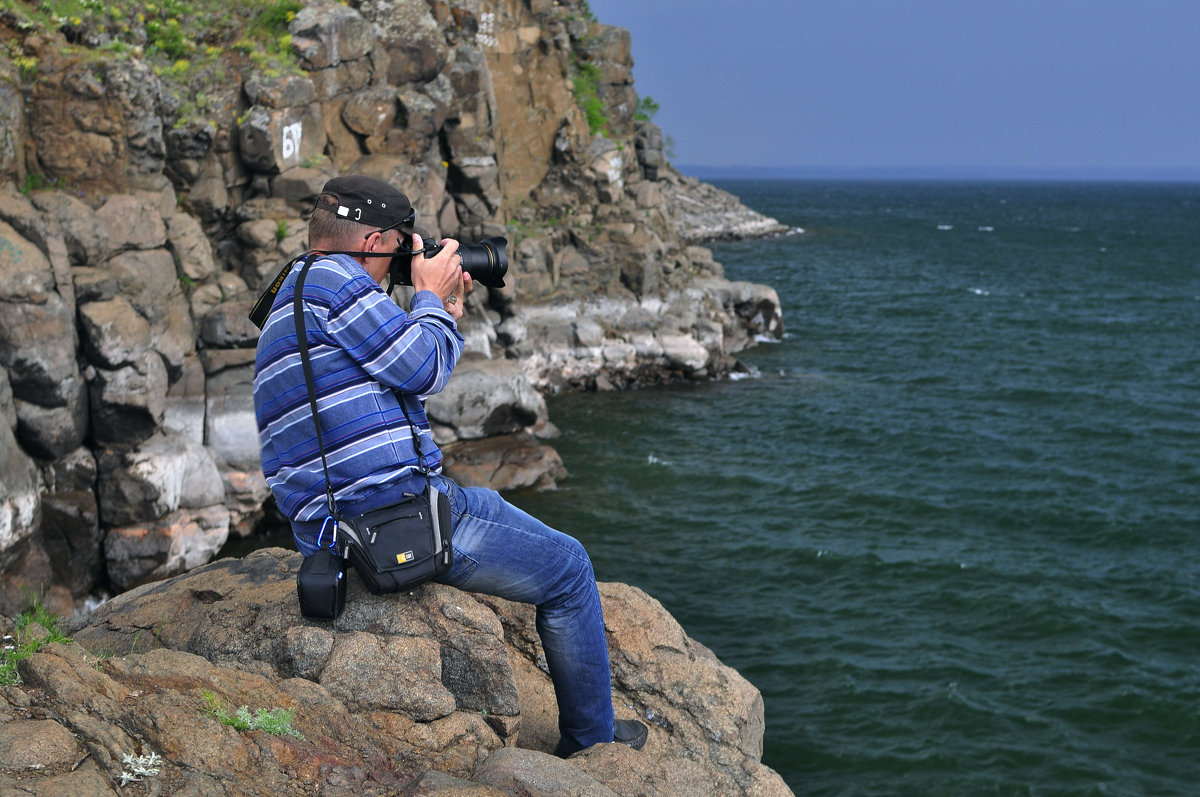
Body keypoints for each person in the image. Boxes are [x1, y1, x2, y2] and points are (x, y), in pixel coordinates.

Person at [253, 175, 647, 757]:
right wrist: (430, 297)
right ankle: (592, 743)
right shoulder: (336, 281)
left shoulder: (295, 289)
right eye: (400, 248)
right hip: (390, 519)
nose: (398, 266)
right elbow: (423, 371)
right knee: (569, 570)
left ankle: (591, 725)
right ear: (378, 241)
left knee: (488, 504)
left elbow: (407, 379)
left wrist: (443, 308)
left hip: (358, 519)